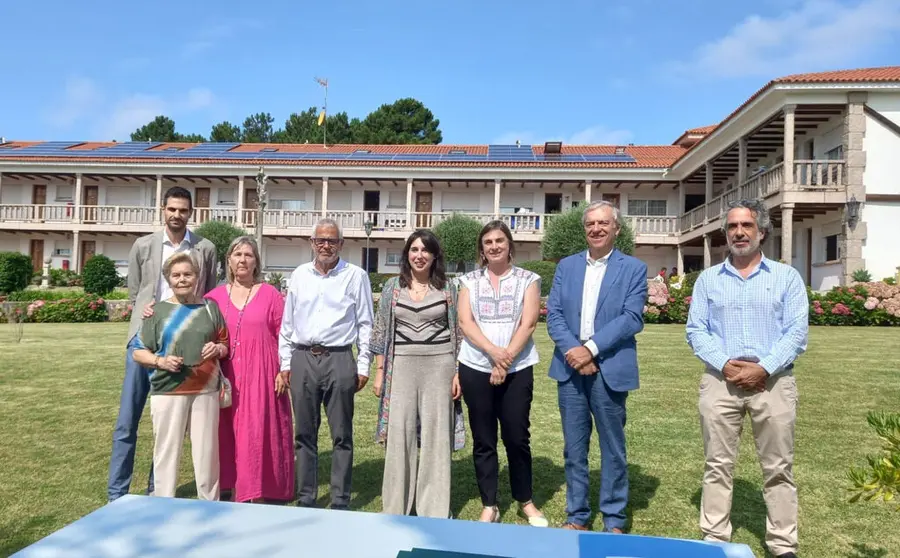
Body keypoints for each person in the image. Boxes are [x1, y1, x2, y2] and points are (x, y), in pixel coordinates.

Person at [686, 199, 808, 558]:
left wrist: (764, 368)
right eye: (733, 227)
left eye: (746, 226)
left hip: (773, 382)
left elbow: (796, 332)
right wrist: (726, 364)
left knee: (778, 467)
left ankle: (783, 544)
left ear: (762, 232)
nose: (739, 233)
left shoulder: (786, 277)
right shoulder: (709, 279)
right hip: (720, 381)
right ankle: (714, 538)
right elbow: (696, 330)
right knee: (717, 464)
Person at [107, 186, 218, 502]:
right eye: (172, 209)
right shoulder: (143, 245)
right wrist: (146, 309)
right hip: (143, 342)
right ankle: (117, 493)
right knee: (128, 420)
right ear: (163, 209)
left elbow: (205, 292)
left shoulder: (204, 248)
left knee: (168, 425)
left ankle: (157, 490)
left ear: (190, 213)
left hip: (179, 348)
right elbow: (135, 290)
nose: (177, 215)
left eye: (183, 210)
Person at [546, 200, 647, 533]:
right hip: (569, 368)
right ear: (584, 228)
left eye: (603, 223)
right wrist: (574, 351)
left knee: (612, 448)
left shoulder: (633, 268)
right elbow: (556, 316)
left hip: (609, 368)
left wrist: (589, 349)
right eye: (590, 224)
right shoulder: (566, 267)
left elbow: (631, 319)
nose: (596, 229)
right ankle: (577, 515)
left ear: (616, 228)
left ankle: (614, 518)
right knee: (574, 448)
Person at [456, 220, 547, 527]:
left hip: (518, 367)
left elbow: (529, 323)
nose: (494, 246)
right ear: (482, 250)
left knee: (517, 437)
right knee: (483, 438)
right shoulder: (468, 281)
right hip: (475, 366)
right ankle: (489, 503)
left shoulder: (528, 279)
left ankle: (526, 500)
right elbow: (466, 323)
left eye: (499, 241)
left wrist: (505, 360)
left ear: (509, 245)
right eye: (488, 242)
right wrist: (494, 354)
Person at [279, 218, 374, 510]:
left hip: (340, 358)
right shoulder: (299, 275)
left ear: (341, 244)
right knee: (304, 433)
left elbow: (366, 323)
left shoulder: (356, 276)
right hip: (303, 357)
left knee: (342, 434)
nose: (325, 245)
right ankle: (306, 497)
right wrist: (285, 361)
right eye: (320, 240)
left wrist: (363, 365)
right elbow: (288, 322)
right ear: (311, 243)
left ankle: (340, 500)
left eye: (332, 241)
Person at [370, 230, 463, 518]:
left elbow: (459, 333)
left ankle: (433, 509)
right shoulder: (391, 288)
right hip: (402, 368)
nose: (419, 255)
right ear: (406, 254)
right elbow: (381, 331)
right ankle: (396, 506)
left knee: (437, 436)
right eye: (414, 249)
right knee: (400, 434)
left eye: (425, 250)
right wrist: (379, 371)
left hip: (440, 366)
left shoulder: (449, 288)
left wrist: (458, 372)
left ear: (435, 255)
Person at [131, 251, 228, 500]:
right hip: (167, 391)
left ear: (197, 277)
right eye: (176, 275)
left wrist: (218, 348)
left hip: (206, 390)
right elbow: (138, 352)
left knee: (207, 454)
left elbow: (225, 344)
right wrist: (160, 361)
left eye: (188, 274)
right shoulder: (156, 312)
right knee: (166, 453)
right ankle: (163, 504)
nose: (182, 279)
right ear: (168, 279)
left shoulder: (210, 308)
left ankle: (210, 506)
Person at [205, 236, 294, 503]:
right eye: (237, 254)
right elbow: (193, 324)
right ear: (229, 261)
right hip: (225, 374)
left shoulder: (271, 295)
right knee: (226, 432)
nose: (242, 260)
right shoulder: (213, 297)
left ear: (256, 261)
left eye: (248, 255)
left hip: (263, 374)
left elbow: (285, 335)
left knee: (255, 433)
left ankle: (258, 490)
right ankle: (229, 487)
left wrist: (283, 370)